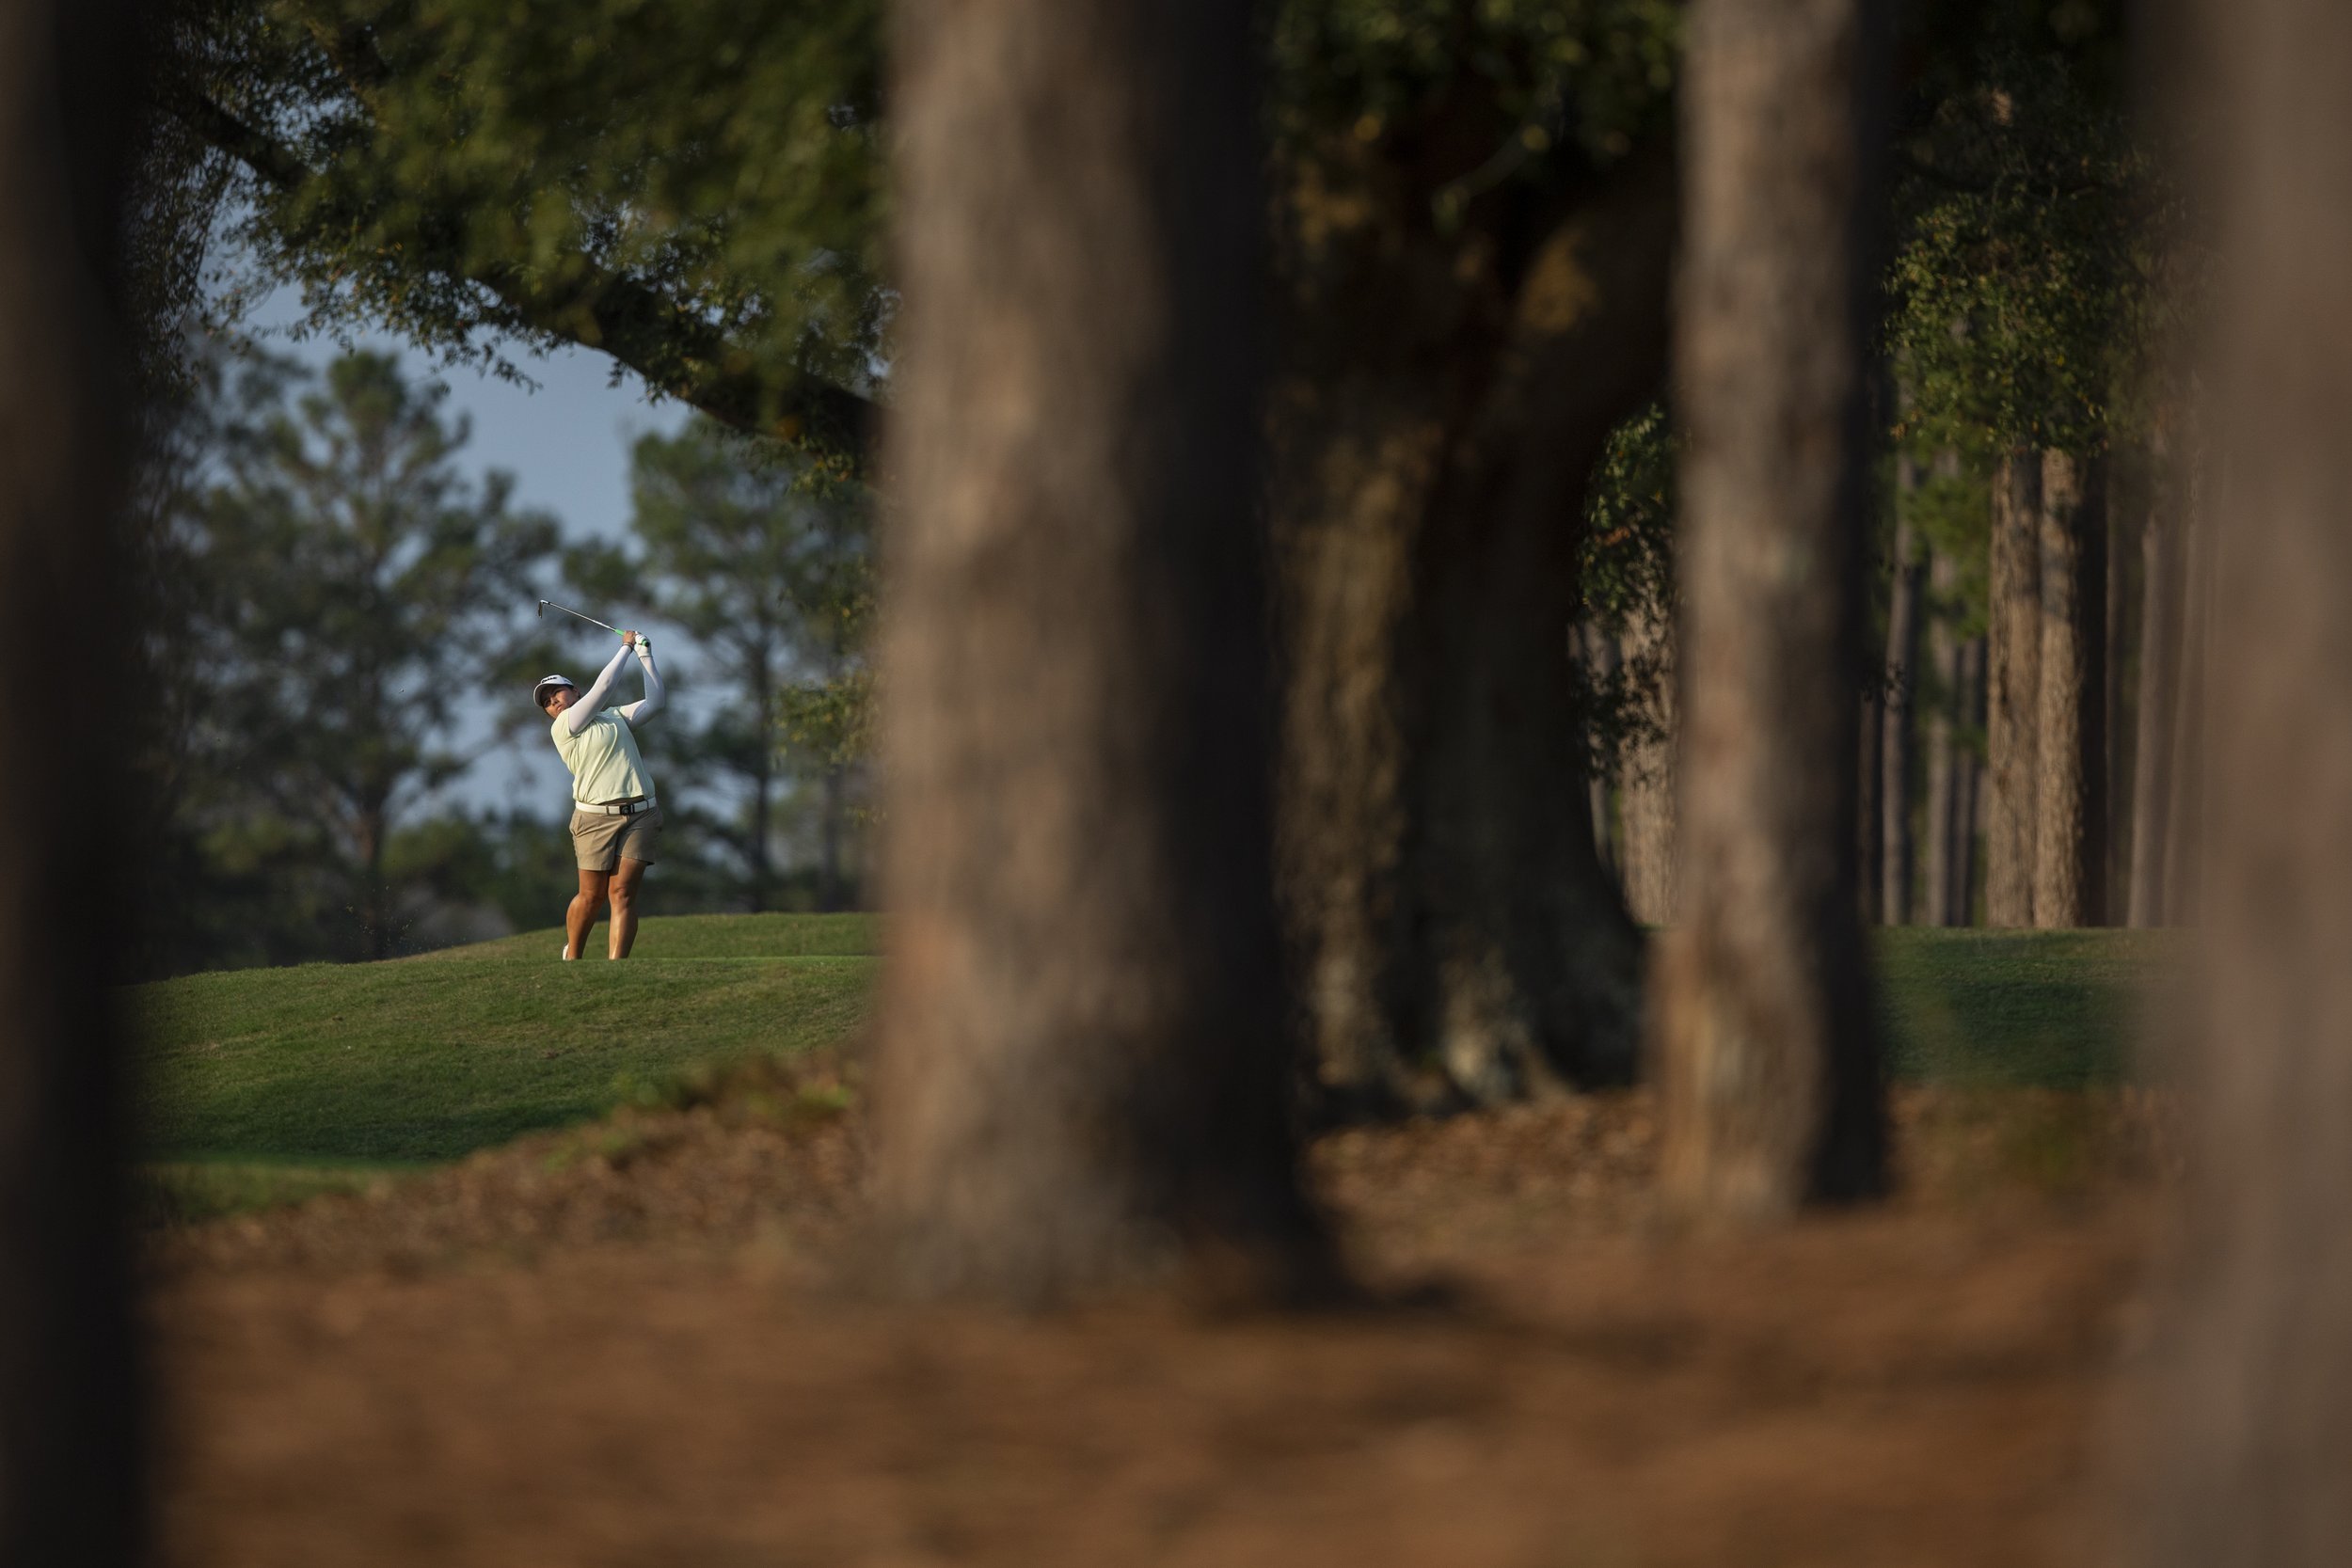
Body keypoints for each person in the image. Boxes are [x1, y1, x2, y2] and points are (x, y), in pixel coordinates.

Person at [532, 630, 665, 959]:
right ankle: (574, 955)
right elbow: (603, 687)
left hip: (641, 815)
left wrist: (645, 654)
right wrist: (625, 649)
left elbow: (656, 703)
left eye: (557, 693)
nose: (554, 703)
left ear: (574, 690)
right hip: (594, 819)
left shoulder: (614, 717)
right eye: (547, 702)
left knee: (622, 895)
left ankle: (616, 969)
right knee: (591, 897)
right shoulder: (563, 728)